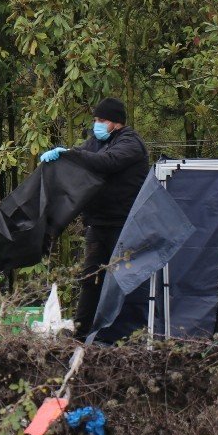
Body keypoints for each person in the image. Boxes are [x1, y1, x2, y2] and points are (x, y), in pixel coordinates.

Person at [39, 98, 148, 340]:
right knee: (91, 279)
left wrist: (69, 153)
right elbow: (83, 156)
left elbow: (107, 162)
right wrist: (63, 157)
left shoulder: (130, 144)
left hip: (125, 226)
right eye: (95, 120)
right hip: (99, 224)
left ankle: (130, 336)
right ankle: (82, 333)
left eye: (101, 120)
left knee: (125, 282)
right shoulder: (98, 142)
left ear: (116, 123)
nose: (96, 125)